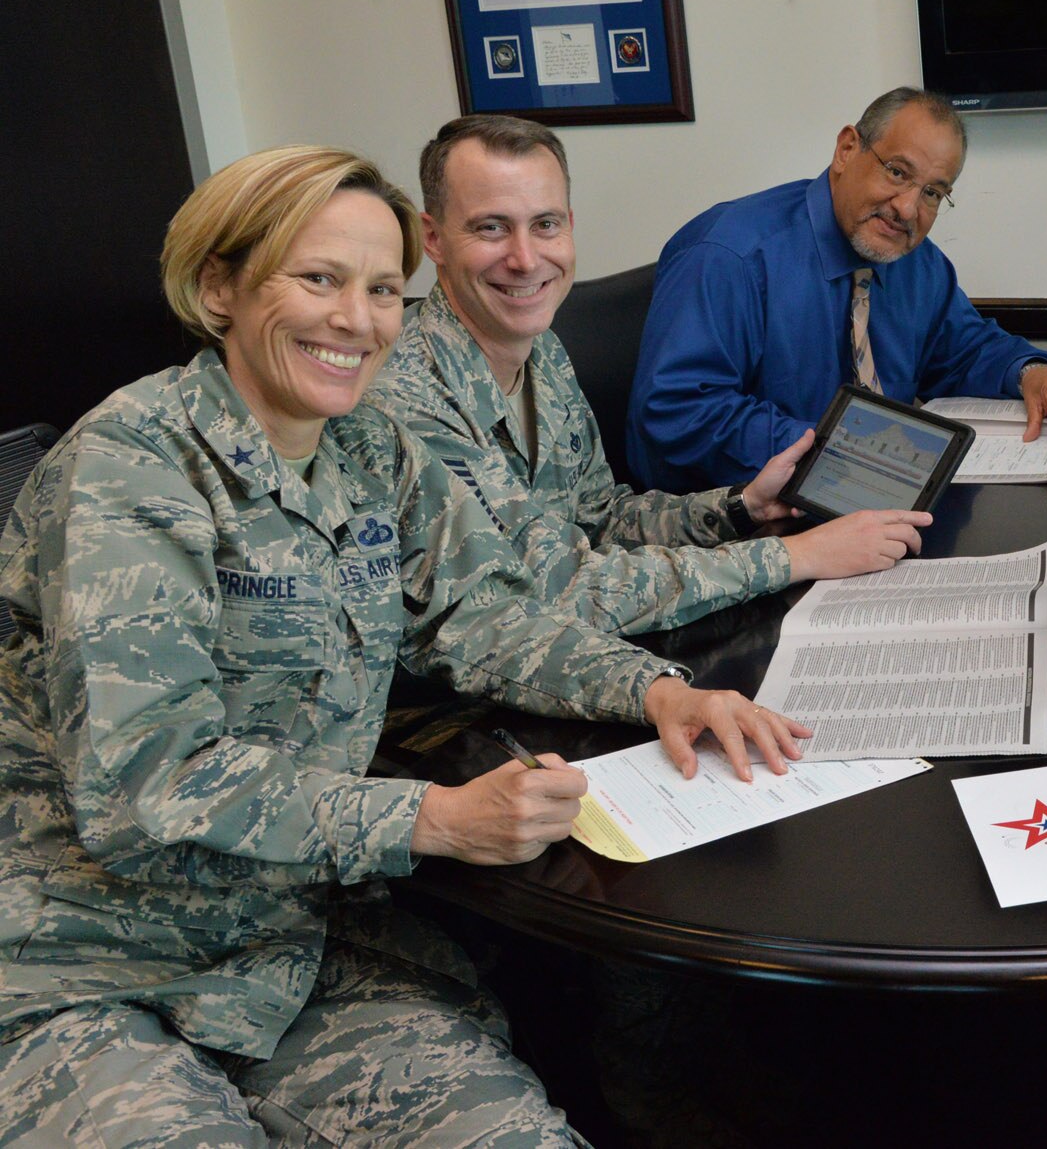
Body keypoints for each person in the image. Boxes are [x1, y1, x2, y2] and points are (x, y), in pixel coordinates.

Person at [0, 147, 810, 1144]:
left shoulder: (371, 452)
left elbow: (486, 614)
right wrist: (436, 819)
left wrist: (654, 692)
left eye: (383, 289)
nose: (357, 319)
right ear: (218, 287)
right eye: (318, 279)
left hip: (296, 943)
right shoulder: (129, 467)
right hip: (82, 967)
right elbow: (148, 784)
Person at [368, 115, 929, 637]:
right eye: (491, 228)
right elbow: (553, 592)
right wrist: (796, 557)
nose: (525, 258)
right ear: (433, 239)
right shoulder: (403, 399)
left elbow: (600, 522)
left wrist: (742, 507)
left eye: (545, 224)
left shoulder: (540, 350)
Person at [625, 87, 1047, 491]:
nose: (909, 208)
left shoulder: (914, 261)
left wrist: (1032, 373)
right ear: (847, 149)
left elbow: (961, 349)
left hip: (867, 503)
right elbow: (679, 410)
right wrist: (840, 449)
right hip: (730, 524)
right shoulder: (730, 256)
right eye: (897, 172)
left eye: (933, 193)